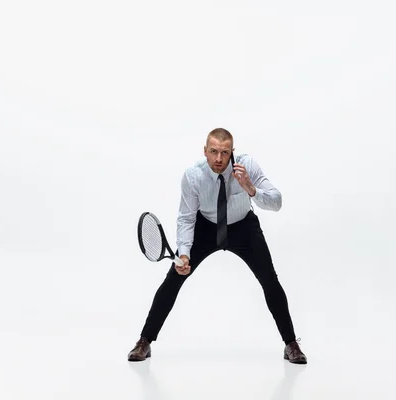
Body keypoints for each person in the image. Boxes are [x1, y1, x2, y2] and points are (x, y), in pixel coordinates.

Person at [128, 128, 307, 364]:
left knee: (270, 281)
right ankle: (145, 341)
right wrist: (183, 253)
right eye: (213, 152)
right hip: (206, 226)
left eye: (224, 152)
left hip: (243, 227)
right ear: (205, 151)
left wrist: (250, 188)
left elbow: (277, 202)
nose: (219, 159)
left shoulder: (247, 166)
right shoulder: (193, 175)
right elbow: (186, 218)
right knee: (173, 280)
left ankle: (291, 344)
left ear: (233, 151)